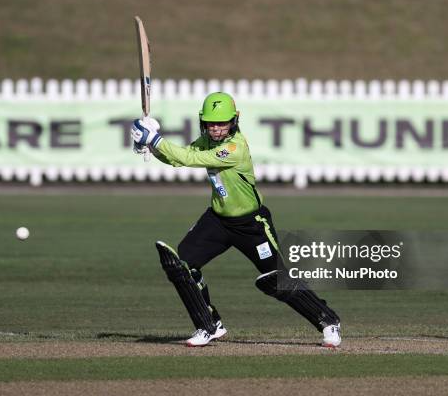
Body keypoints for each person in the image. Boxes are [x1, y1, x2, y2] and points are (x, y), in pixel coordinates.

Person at [131, 92, 341, 347]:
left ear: (234, 121)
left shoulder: (234, 147)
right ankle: (208, 324)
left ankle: (328, 321)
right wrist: (150, 146)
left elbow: (192, 159)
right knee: (183, 264)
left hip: (251, 224)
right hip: (218, 220)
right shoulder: (207, 141)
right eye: (211, 123)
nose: (216, 128)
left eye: (222, 123)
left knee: (277, 279)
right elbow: (179, 157)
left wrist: (155, 138)